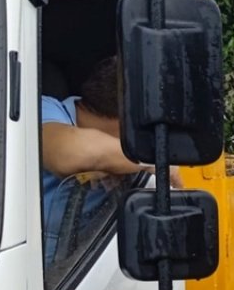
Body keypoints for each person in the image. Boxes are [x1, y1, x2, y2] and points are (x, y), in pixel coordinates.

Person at [40, 55, 181, 261]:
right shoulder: (43, 109)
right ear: (132, 123)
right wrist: (153, 159)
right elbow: (69, 154)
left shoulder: (125, 163)